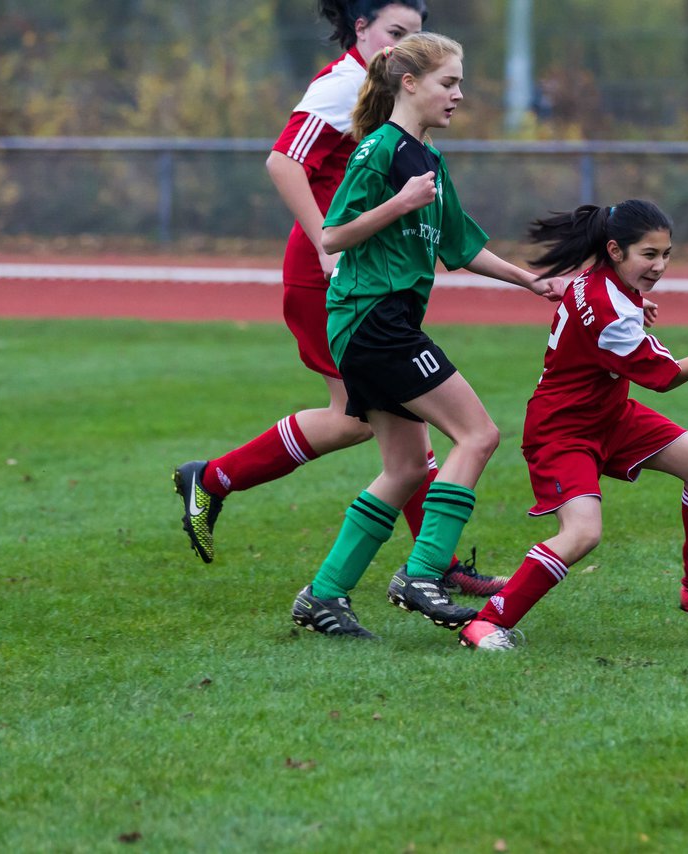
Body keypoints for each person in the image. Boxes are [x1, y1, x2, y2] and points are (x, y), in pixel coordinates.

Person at [171, 0, 505, 598]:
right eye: (395, 33)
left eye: (415, 36)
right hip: (333, 275)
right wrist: (327, 248)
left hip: (358, 272)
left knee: (383, 430)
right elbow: (282, 161)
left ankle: (218, 482)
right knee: (397, 425)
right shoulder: (344, 81)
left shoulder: (398, 112)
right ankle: (429, 567)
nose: (404, 44)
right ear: (361, 29)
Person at [288, 33, 566, 638]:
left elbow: (460, 245)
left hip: (381, 324)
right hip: (372, 320)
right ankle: (423, 573)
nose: (458, 95)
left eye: (459, 83)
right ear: (408, 84)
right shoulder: (380, 151)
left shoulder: (430, 160)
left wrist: (529, 282)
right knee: (478, 433)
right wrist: (400, 202)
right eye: (449, 83)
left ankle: (325, 594)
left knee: (408, 466)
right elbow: (332, 238)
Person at [456, 199, 688, 651]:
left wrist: (637, 302)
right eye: (649, 254)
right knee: (583, 534)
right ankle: (487, 624)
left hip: (608, 414)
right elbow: (667, 377)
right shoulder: (611, 312)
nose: (660, 265)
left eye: (666, 254)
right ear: (616, 249)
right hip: (562, 429)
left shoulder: (600, 278)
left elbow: (603, 308)